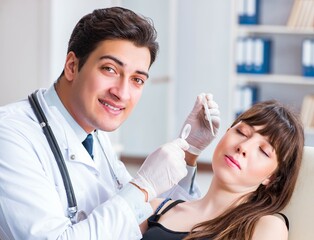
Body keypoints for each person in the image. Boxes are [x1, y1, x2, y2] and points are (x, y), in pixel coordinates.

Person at [0, 7, 221, 240]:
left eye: (137, 79)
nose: (122, 93)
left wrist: (189, 151)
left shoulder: (92, 133)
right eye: (110, 69)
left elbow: (152, 220)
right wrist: (142, 187)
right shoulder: (11, 135)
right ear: (72, 66)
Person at [141, 100, 304, 240]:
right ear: (226, 134)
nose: (243, 147)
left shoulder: (266, 227)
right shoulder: (157, 208)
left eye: (263, 151)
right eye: (242, 132)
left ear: (273, 177)